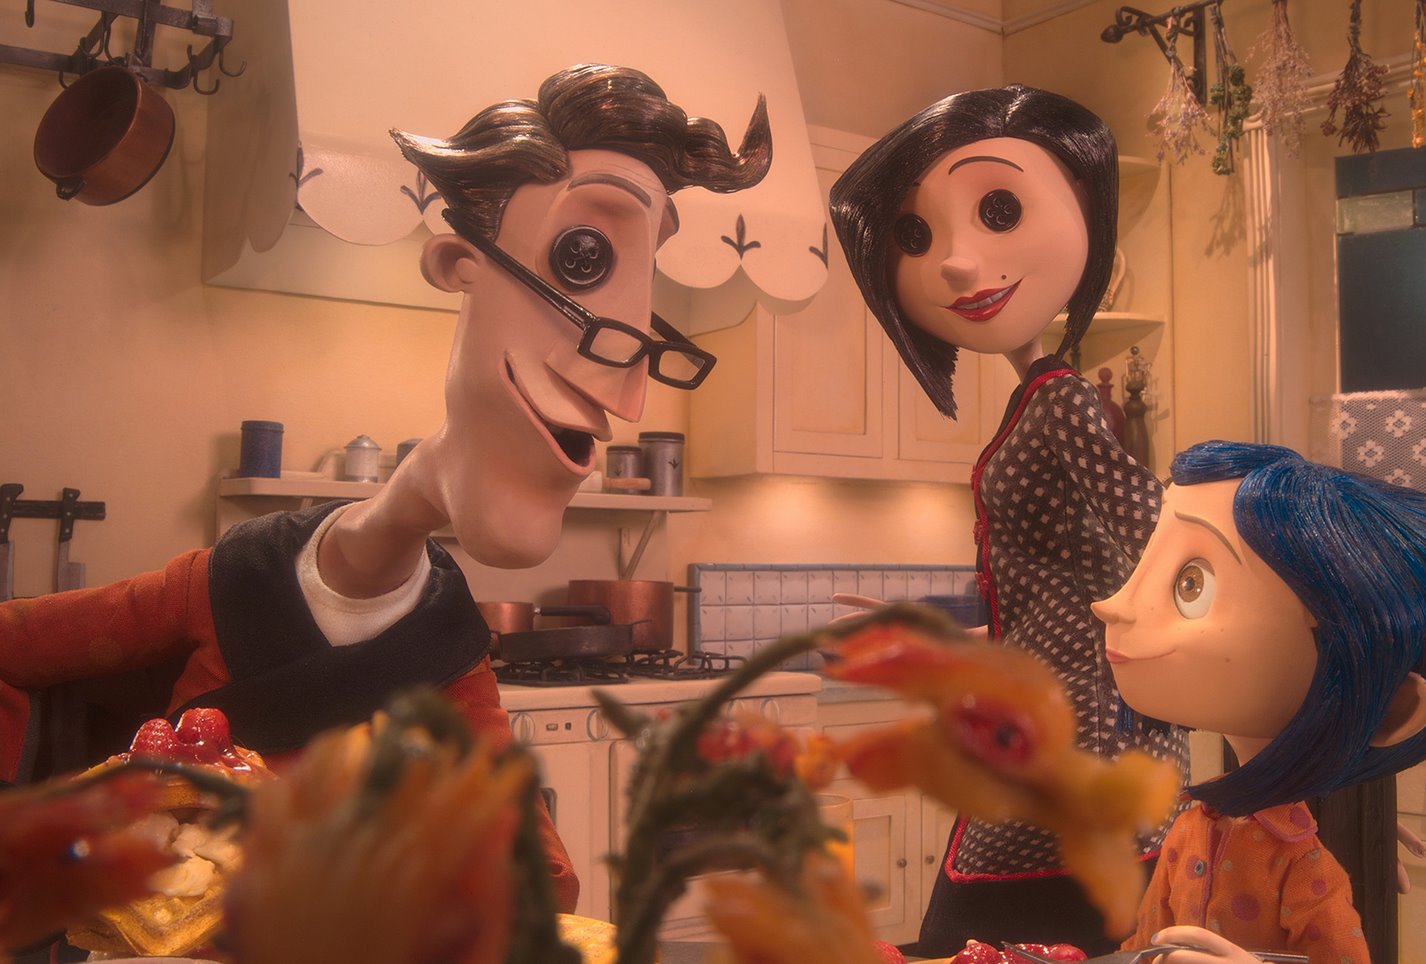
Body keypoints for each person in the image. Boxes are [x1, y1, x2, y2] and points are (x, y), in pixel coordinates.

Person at [0, 64, 772, 915]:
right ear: (456, 263)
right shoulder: (219, 586)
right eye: (582, 256)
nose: (629, 398)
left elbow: (538, 879)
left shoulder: (445, 646)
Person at [829, 85, 1187, 956]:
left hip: (1083, 720)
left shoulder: (1061, 399)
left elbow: (1156, 534)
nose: (957, 264)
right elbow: (1075, 580)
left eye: (998, 211)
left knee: (987, 925)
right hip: (1053, 706)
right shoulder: (1041, 398)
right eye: (915, 237)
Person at [1092, 441, 1426, 963]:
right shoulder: (1190, 829)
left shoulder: (1301, 864)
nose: (1113, 605)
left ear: (1390, 705)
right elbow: (1141, 945)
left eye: (1191, 584)